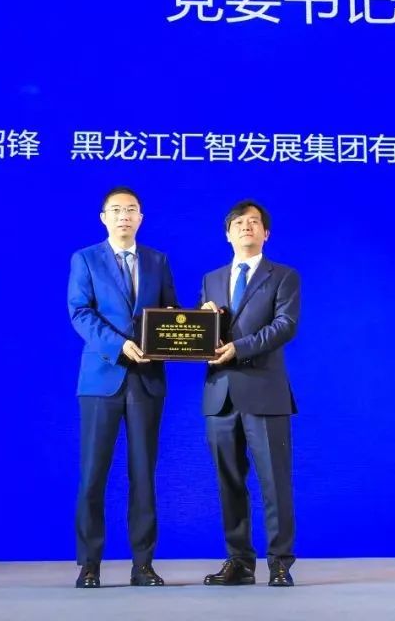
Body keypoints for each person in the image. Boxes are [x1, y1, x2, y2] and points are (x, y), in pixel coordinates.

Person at [67, 186, 178, 588]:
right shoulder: (85, 259)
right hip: (102, 378)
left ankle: (143, 565)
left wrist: (192, 325)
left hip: (147, 380)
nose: (124, 216)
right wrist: (119, 346)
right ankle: (89, 565)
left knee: (143, 474)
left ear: (141, 218)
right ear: (104, 217)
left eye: (131, 210)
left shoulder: (157, 260)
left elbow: (169, 312)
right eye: (116, 210)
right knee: (93, 474)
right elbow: (80, 312)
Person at [198, 199, 300, 587]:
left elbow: (285, 325)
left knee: (275, 483)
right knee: (229, 483)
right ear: (227, 234)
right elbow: (200, 334)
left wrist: (238, 348)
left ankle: (280, 563)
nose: (246, 227)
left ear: (266, 233)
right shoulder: (211, 279)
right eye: (239, 222)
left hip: (265, 392)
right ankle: (239, 561)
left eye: (254, 222)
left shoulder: (284, 276)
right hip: (220, 394)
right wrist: (200, 322)